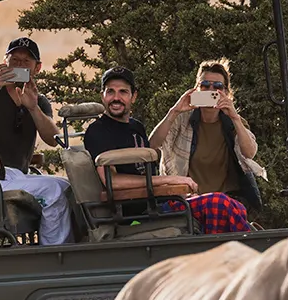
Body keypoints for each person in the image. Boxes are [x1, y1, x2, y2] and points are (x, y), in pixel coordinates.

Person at [83, 65, 251, 235]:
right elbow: (113, 182)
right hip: (135, 215)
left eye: (123, 92)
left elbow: (250, 153)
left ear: (133, 96)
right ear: (102, 96)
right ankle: (251, 248)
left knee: (234, 207)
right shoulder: (98, 131)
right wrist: (172, 180)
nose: (116, 98)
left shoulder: (136, 127)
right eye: (110, 92)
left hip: (159, 202)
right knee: (218, 203)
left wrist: (174, 188)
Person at [0, 37, 74, 246]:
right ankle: (53, 251)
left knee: (69, 187)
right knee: (53, 190)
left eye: (26, 62)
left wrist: (33, 107)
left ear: (37, 68)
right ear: (4, 62)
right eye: (14, 60)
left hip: (17, 176)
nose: (19, 65)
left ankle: (70, 245)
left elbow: (52, 139)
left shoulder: (37, 99)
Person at [150, 60, 266, 213]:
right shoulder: (182, 119)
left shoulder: (233, 122)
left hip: (225, 201)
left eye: (218, 86)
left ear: (226, 92)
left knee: (220, 207)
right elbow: (152, 145)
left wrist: (235, 118)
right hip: (187, 200)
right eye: (205, 85)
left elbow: (249, 152)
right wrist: (174, 111)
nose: (211, 90)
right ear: (196, 89)